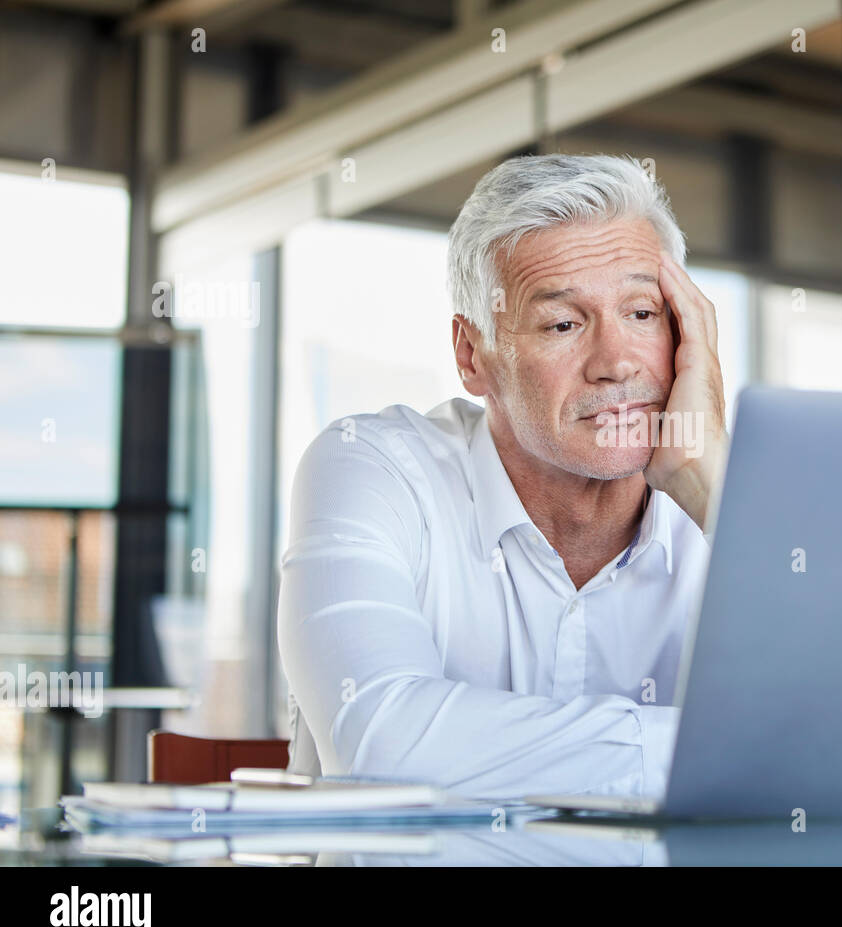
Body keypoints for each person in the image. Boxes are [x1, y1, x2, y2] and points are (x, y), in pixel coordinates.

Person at [277, 153, 728, 801]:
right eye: (563, 324)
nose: (616, 363)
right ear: (472, 355)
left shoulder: (730, 510)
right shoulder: (371, 466)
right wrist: (730, 752)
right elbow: (380, 746)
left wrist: (713, 486)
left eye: (642, 314)